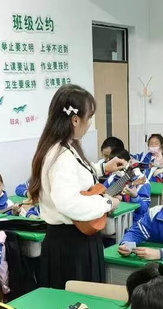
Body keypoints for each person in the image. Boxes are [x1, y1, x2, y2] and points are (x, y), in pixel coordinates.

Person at [29, 84, 127, 288]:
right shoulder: (61, 156)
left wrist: (103, 168)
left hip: (72, 242)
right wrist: (108, 203)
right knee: (76, 302)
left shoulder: (63, 146)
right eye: (89, 117)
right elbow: (69, 203)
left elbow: (77, 176)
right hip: (72, 246)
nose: (89, 123)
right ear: (75, 120)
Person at [104, 149, 150, 224]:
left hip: (134, 223)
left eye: (120, 164)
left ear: (130, 161)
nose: (118, 168)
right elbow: (102, 194)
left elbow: (144, 210)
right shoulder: (112, 178)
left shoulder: (142, 181)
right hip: (113, 219)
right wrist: (113, 198)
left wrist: (135, 196)